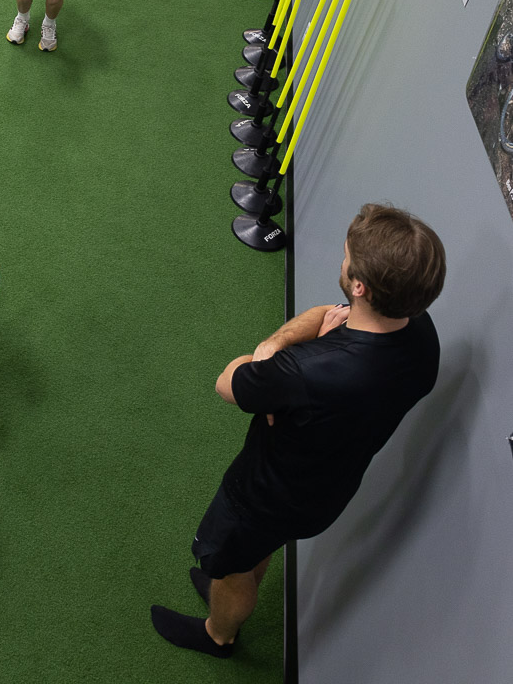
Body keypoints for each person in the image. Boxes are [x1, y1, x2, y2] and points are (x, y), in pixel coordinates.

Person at [150, 203, 446, 659]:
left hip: (261, 493)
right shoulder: (422, 337)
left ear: (360, 286)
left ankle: (219, 635)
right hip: (325, 492)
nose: (342, 262)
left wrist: (274, 344)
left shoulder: (307, 371)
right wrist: (314, 345)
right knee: (255, 549)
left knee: (228, 565)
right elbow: (335, 318)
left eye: (347, 258)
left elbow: (228, 382)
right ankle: (236, 571)